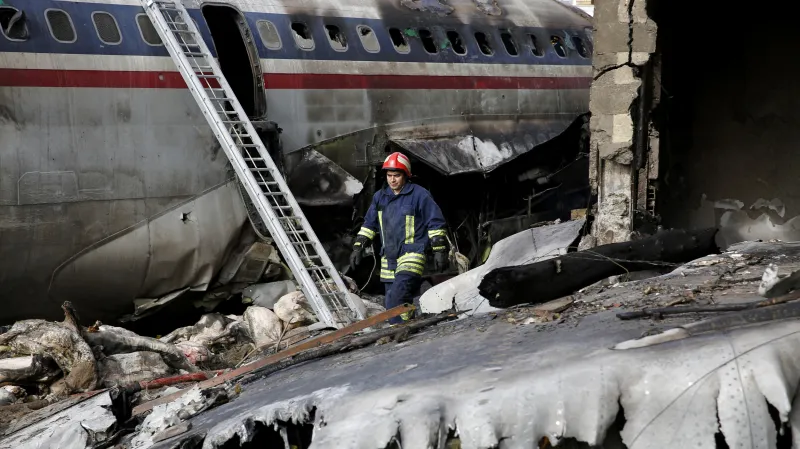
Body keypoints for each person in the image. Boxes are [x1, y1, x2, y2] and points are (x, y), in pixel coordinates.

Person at [349, 152, 449, 324]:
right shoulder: (380, 197)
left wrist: (439, 249)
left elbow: (435, 222)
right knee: (393, 302)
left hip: (413, 253)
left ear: (406, 175)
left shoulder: (419, 195)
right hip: (388, 257)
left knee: (397, 294)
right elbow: (369, 224)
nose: (392, 180)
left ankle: (397, 331)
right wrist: (358, 246)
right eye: (389, 175)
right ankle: (408, 324)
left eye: (397, 175)